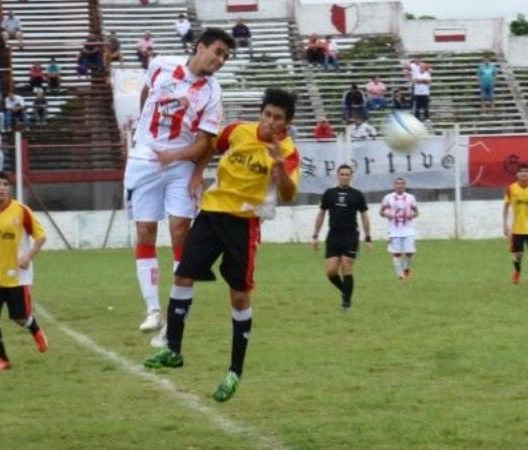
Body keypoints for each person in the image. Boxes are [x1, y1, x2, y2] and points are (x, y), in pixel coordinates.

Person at [144, 88, 301, 403]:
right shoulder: (237, 131)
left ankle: (234, 371)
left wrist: (279, 166)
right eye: (267, 114)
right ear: (261, 112)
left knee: (239, 297)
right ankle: (173, 349)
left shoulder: (287, 150)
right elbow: (209, 146)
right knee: (183, 276)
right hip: (212, 213)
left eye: (278, 118)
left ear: (286, 124)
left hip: (244, 224)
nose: (270, 122)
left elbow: (288, 195)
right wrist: (198, 174)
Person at [124, 28, 234, 346]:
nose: (220, 60)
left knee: (179, 232)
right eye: (217, 51)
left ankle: (174, 317)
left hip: (181, 167)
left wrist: (183, 162)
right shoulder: (160, 64)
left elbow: (206, 142)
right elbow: (146, 94)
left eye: (225, 56)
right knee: (145, 231)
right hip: (144, 159)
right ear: (199, 47)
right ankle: (153, 310)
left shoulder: (212, 92)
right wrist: (147, 135)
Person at [0, 171, 48, 372]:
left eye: (5, 183)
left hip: (17, 277)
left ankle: (36, 329)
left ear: (9, 188)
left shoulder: (21, 211)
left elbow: (40, 237)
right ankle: (2, 359)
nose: (2, 187)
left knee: (20, 318)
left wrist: (28, 256)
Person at [311, 164, 372, 310]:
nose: (344, 177)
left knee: (346, 268)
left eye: (347, 174)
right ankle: (345, 291)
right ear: (337, 176)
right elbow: (321, 214)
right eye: (342, 174)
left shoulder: (357, 194)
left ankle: (346, 303)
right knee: (331, 271)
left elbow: (364, 217)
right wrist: (315, 235)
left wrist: (368, 238)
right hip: (333, 235)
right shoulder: (329, 193)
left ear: (351, 176)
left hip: (350, 235)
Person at [503, 165, 528, 288]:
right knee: (518, 255)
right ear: (517, 174)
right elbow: (505, 207)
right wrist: (505, 224)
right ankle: (517, 272)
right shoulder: (511, 189)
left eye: (526, 171)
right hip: (516, 228)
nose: (523, 174)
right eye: (521, 172)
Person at [379, 177, 419, 280]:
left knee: (410, 252)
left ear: (405, 185)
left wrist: (412, 215)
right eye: (397, 184)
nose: (400, 186)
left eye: (402, 184)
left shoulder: (411, 197)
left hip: (408, 229)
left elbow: (417, 212)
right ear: (394, 186)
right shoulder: (388, 198)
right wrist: (387, 215)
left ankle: (406, 269)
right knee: (396, 253)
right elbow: (381, 212)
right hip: (394, 230)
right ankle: (400, 276)